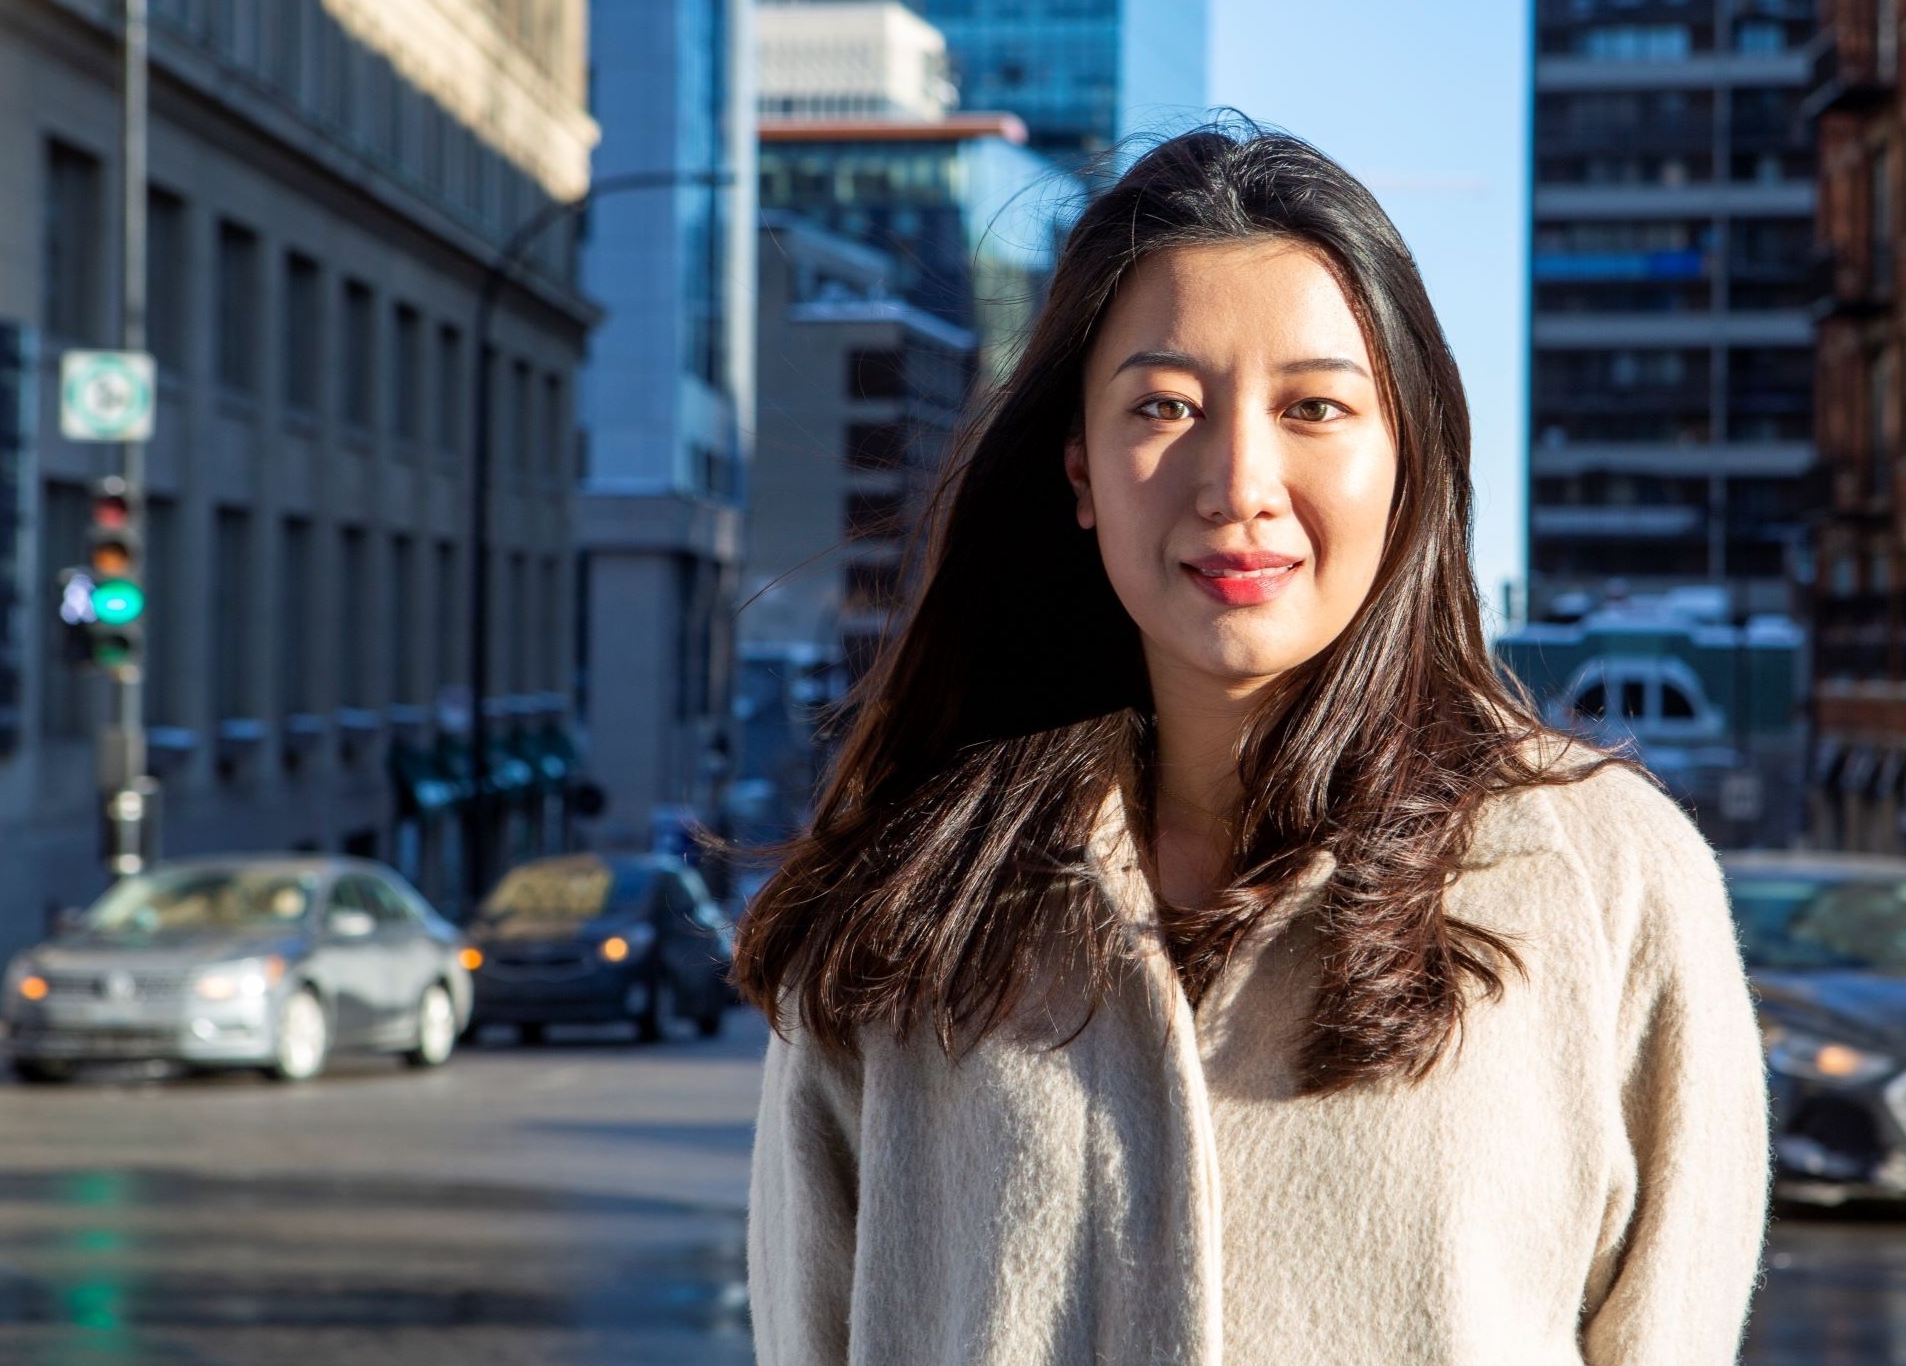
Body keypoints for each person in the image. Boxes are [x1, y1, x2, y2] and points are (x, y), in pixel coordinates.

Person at [735, 124, 1769, 1365]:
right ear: (1079, 469)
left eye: (1314, 406)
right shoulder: (906, 910)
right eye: (1165, 405)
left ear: (1409, 458)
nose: (1238, 479)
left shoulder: (1612, 878)